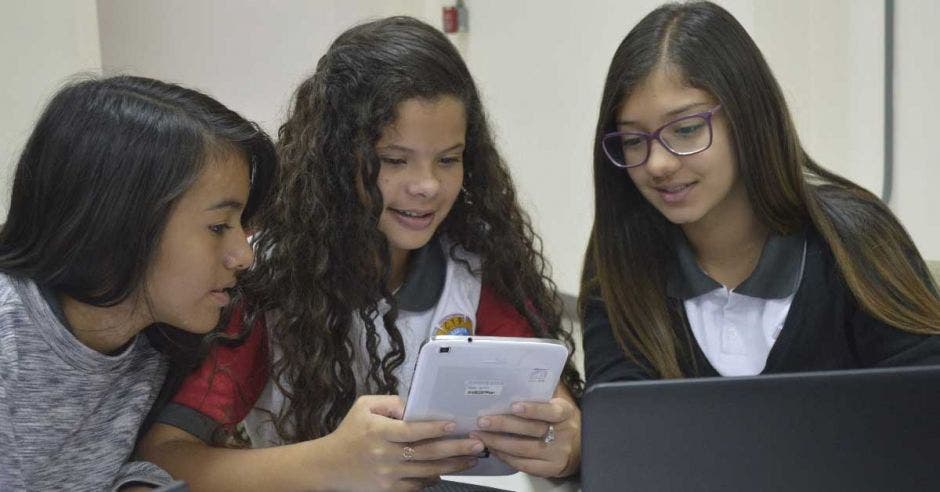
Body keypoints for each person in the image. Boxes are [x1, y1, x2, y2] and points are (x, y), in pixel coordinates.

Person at [138, 16, 583, 491]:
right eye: (393, 160)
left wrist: (568, 445)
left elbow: (558, 415)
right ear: (335, 158)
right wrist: (334, 463)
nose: (427, 186)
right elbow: (164, 458)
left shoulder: (471, 269)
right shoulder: (266, 277)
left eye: (448, 159)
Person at [580, 1, 940, 386]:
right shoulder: (618, 259)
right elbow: (622, 425)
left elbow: (922, 412)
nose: (657, 164)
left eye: (685, 130)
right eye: (634, 140)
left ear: (747, 117)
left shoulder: (856, 241)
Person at [0, 75, 276, 490]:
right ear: (119, 222)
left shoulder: (159, 342)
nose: (244, 256)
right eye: (219, 226)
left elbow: (112, 465)